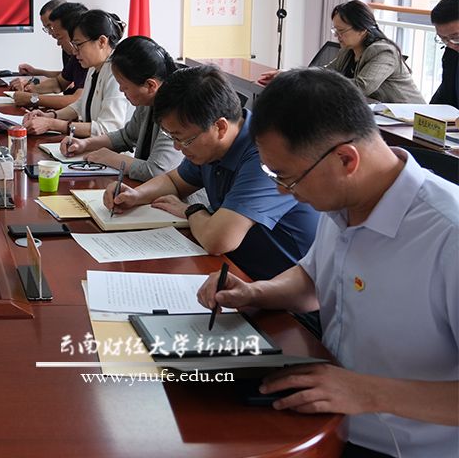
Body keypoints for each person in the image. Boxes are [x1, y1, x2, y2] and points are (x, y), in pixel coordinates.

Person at [197, 68, 458, 458]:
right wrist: (256, 292)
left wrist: (365, 391)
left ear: (346, 159)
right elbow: (313, 281)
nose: (281, 190)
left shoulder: (447, 234)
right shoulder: (343, 201)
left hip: (400, 447)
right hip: (327, 421)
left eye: (287, 177)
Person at [106, 65, 319, 281]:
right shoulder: (210, 146)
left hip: (281, 287)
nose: (178, 148)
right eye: (172, 137)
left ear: (220, 127)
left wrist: (192, 210)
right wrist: (135, 195)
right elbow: (174, 181)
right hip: (237, 270)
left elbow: (219, 240)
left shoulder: (265, 154)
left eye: (183, 139)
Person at [58, 36, 203, 208]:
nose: (121, 90)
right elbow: (126, 136)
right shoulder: (147, 101)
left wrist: (112, 158)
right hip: (150, 196)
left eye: (125, 86)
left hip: (180, 204)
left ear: (150, 85)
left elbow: (156, 170)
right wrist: (86, 144)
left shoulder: (175, 111)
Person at [259, 0, 424, 103]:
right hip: (378, 116)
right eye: (335, 30)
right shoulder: (348, 49)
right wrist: (290, 75)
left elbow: (361, 87)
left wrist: (315, 82)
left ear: (362, 29)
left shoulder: (383, 51)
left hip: (409, 122)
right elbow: (326, 71)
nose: (337, 36)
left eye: (342, 31)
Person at [21, 9, 131, 138]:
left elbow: (108, 128)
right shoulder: (94, 66)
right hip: (90, 144)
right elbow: (80, 104)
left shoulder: (117, 73)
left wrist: (52, 124)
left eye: (79, 45)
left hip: (110, 149)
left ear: (102, 41)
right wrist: (51, 116)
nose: (74, 52)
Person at [11, 1, 87, 110]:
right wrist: (30, 89)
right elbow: (59, 83)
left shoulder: (88, 57)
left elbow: (77, 101)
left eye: (59, 37)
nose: (58, 43)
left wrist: (32, 98)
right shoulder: (77, 55)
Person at [430, 0, 458, 108]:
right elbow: (442, 98)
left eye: (456, 38)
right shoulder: (452, 55)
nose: (451, 45)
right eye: (444, 39)